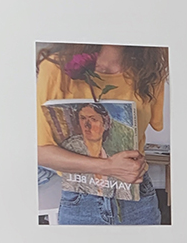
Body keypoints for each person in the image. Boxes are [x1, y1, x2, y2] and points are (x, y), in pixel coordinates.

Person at [36, 44, 168, 225]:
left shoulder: (149, 71)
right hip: (81, 200)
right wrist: (108, 167)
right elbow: (41, 152)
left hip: (137, 199)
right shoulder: (55, 68)